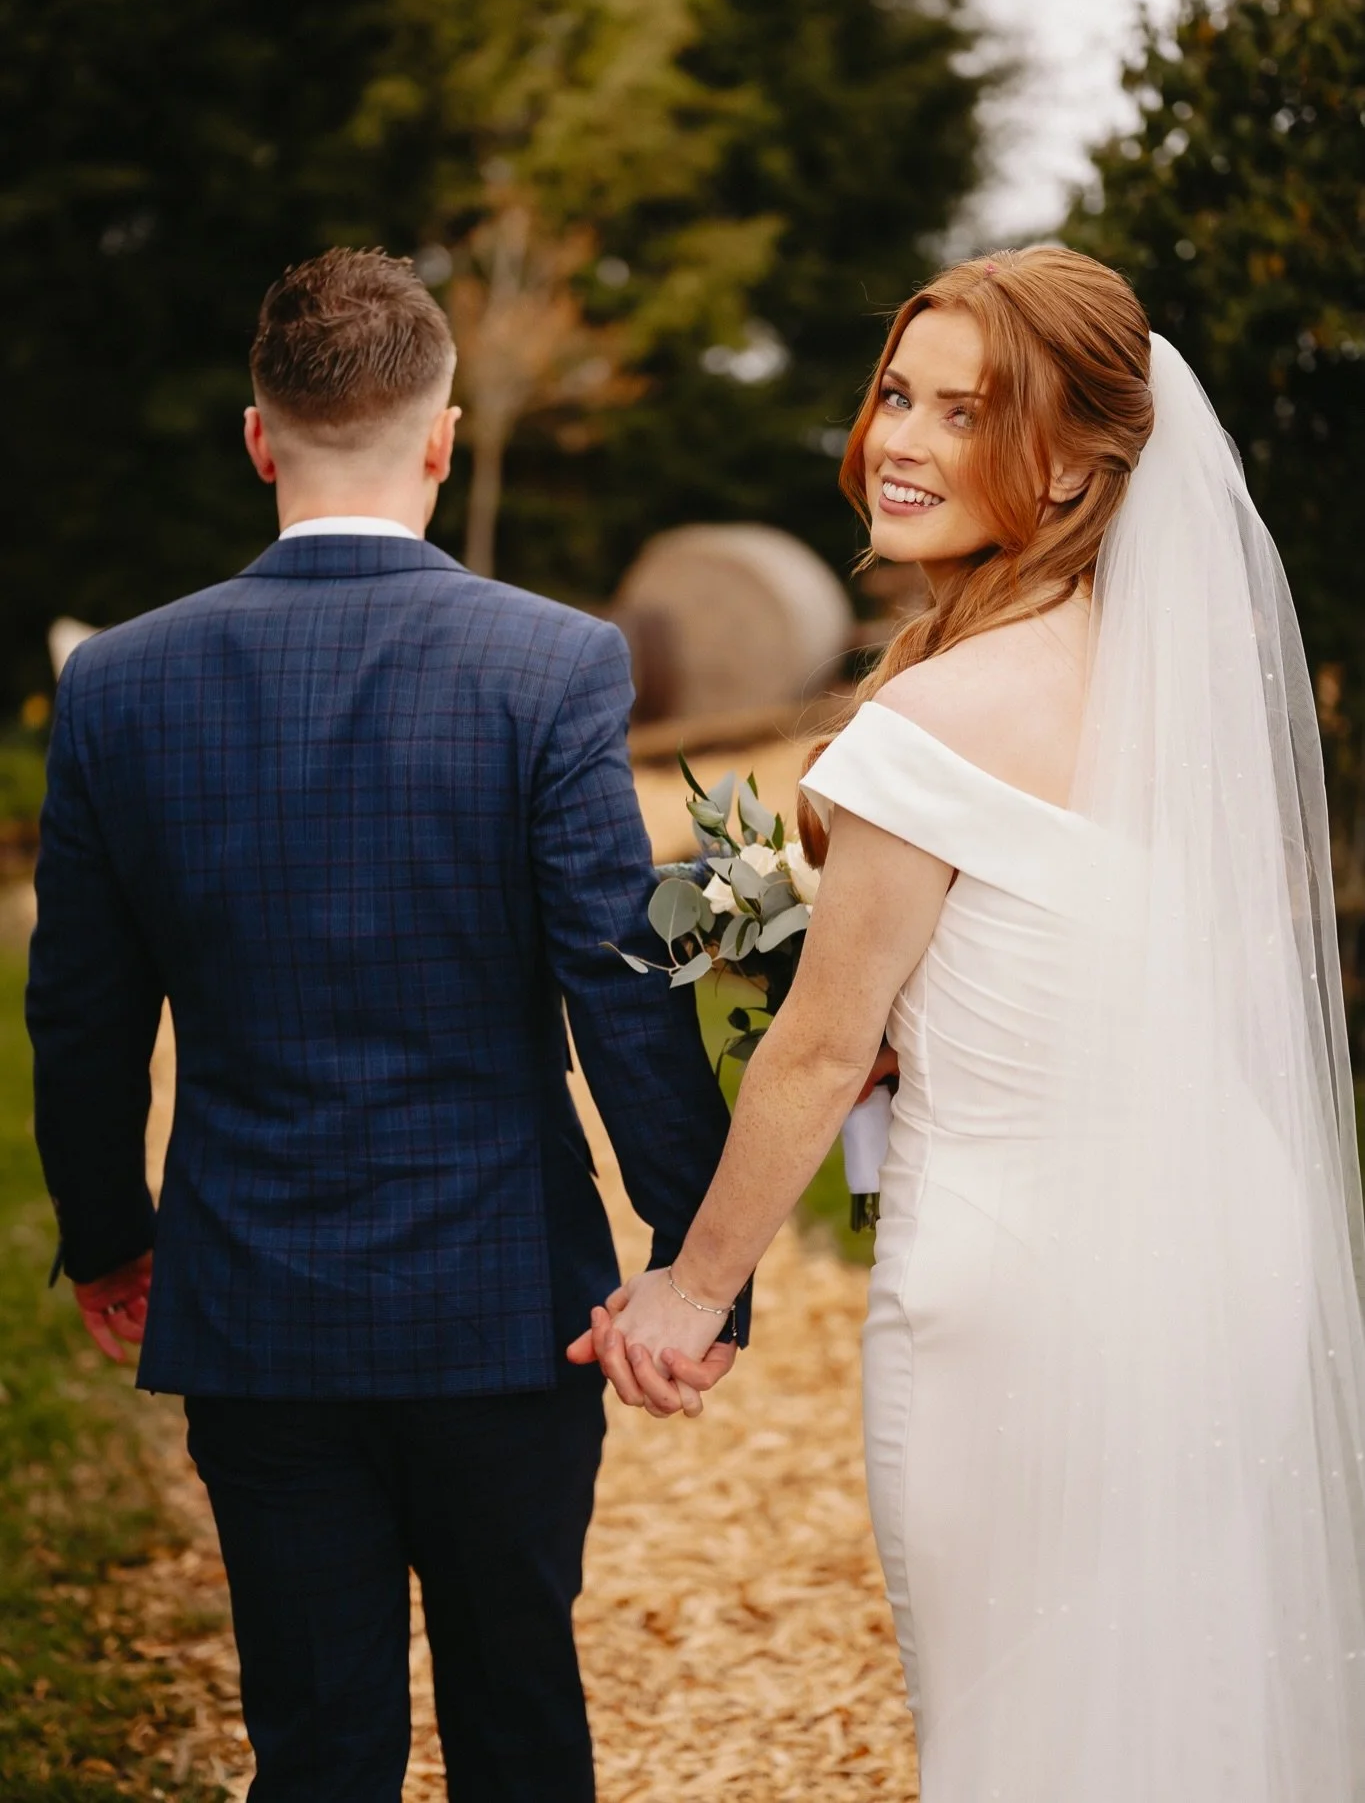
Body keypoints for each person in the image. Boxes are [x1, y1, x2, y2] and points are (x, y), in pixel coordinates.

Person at [576, 248, 1365, 1799]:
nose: (905, 443)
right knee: (1198, 1700)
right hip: (1224, 1259)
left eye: (968, 411)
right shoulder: (1163, 700)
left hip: (1022, 1297)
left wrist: (688, 1289)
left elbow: (813, 1047)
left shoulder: (933, 720)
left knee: (1022, 1725)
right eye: (897, 396)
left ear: (1075, 463)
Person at [26, 245, 740, 1803]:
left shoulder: (122, 689)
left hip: (253, 1305)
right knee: (519, 1719)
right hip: (506, 1300)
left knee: (315, 1737)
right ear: (442, 436)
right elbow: (621, 990)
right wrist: (701, 1262)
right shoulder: (553, 665)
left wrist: (108, 1237)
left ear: (259, 437)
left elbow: (78, 1019)